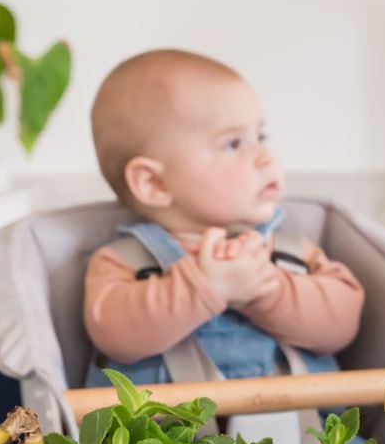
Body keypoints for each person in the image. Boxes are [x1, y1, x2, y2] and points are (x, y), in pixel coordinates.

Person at [81, 48, 364, 387]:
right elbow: (117, 335)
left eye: (260, 138)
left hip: (306, 437)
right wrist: (204, 287)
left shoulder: (289, 254)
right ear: (154, 182)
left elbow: (342, 324)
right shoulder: (123, 263)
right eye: (233, 144)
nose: (264, 158)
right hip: (168, 440)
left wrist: (267, 289)